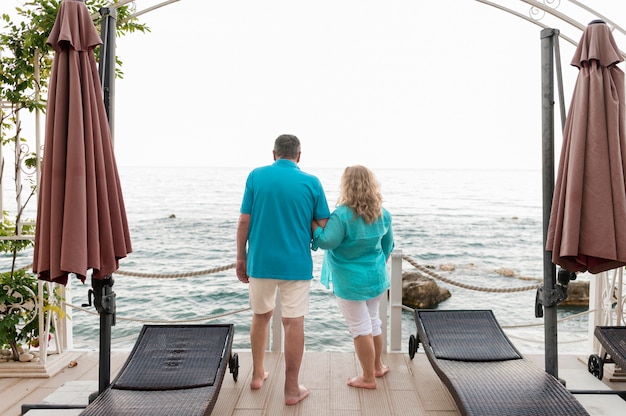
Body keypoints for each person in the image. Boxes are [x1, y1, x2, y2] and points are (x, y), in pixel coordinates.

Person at [236, 134, 330, 405]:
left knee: (261, 316)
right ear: (299, 156)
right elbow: (324, 226)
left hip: (261, 261)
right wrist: (309, 223)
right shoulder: (311, 182)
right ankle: (291, 389)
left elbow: (244, 221)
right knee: (293, 323)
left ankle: (257, 374)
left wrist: (241, 258)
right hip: (296, 263)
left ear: (274, 154)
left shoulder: (256, 176)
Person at [311, 165, 394, 389]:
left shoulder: (342, 215)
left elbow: (328, 242)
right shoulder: (382, 213)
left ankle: (368, 378)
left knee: (360, 328)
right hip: (376, 278)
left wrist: (314, 227)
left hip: (350, 281)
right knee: (373, 321)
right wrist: (374, 263)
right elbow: (388, 246)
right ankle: (377, 367)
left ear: (346, 185)